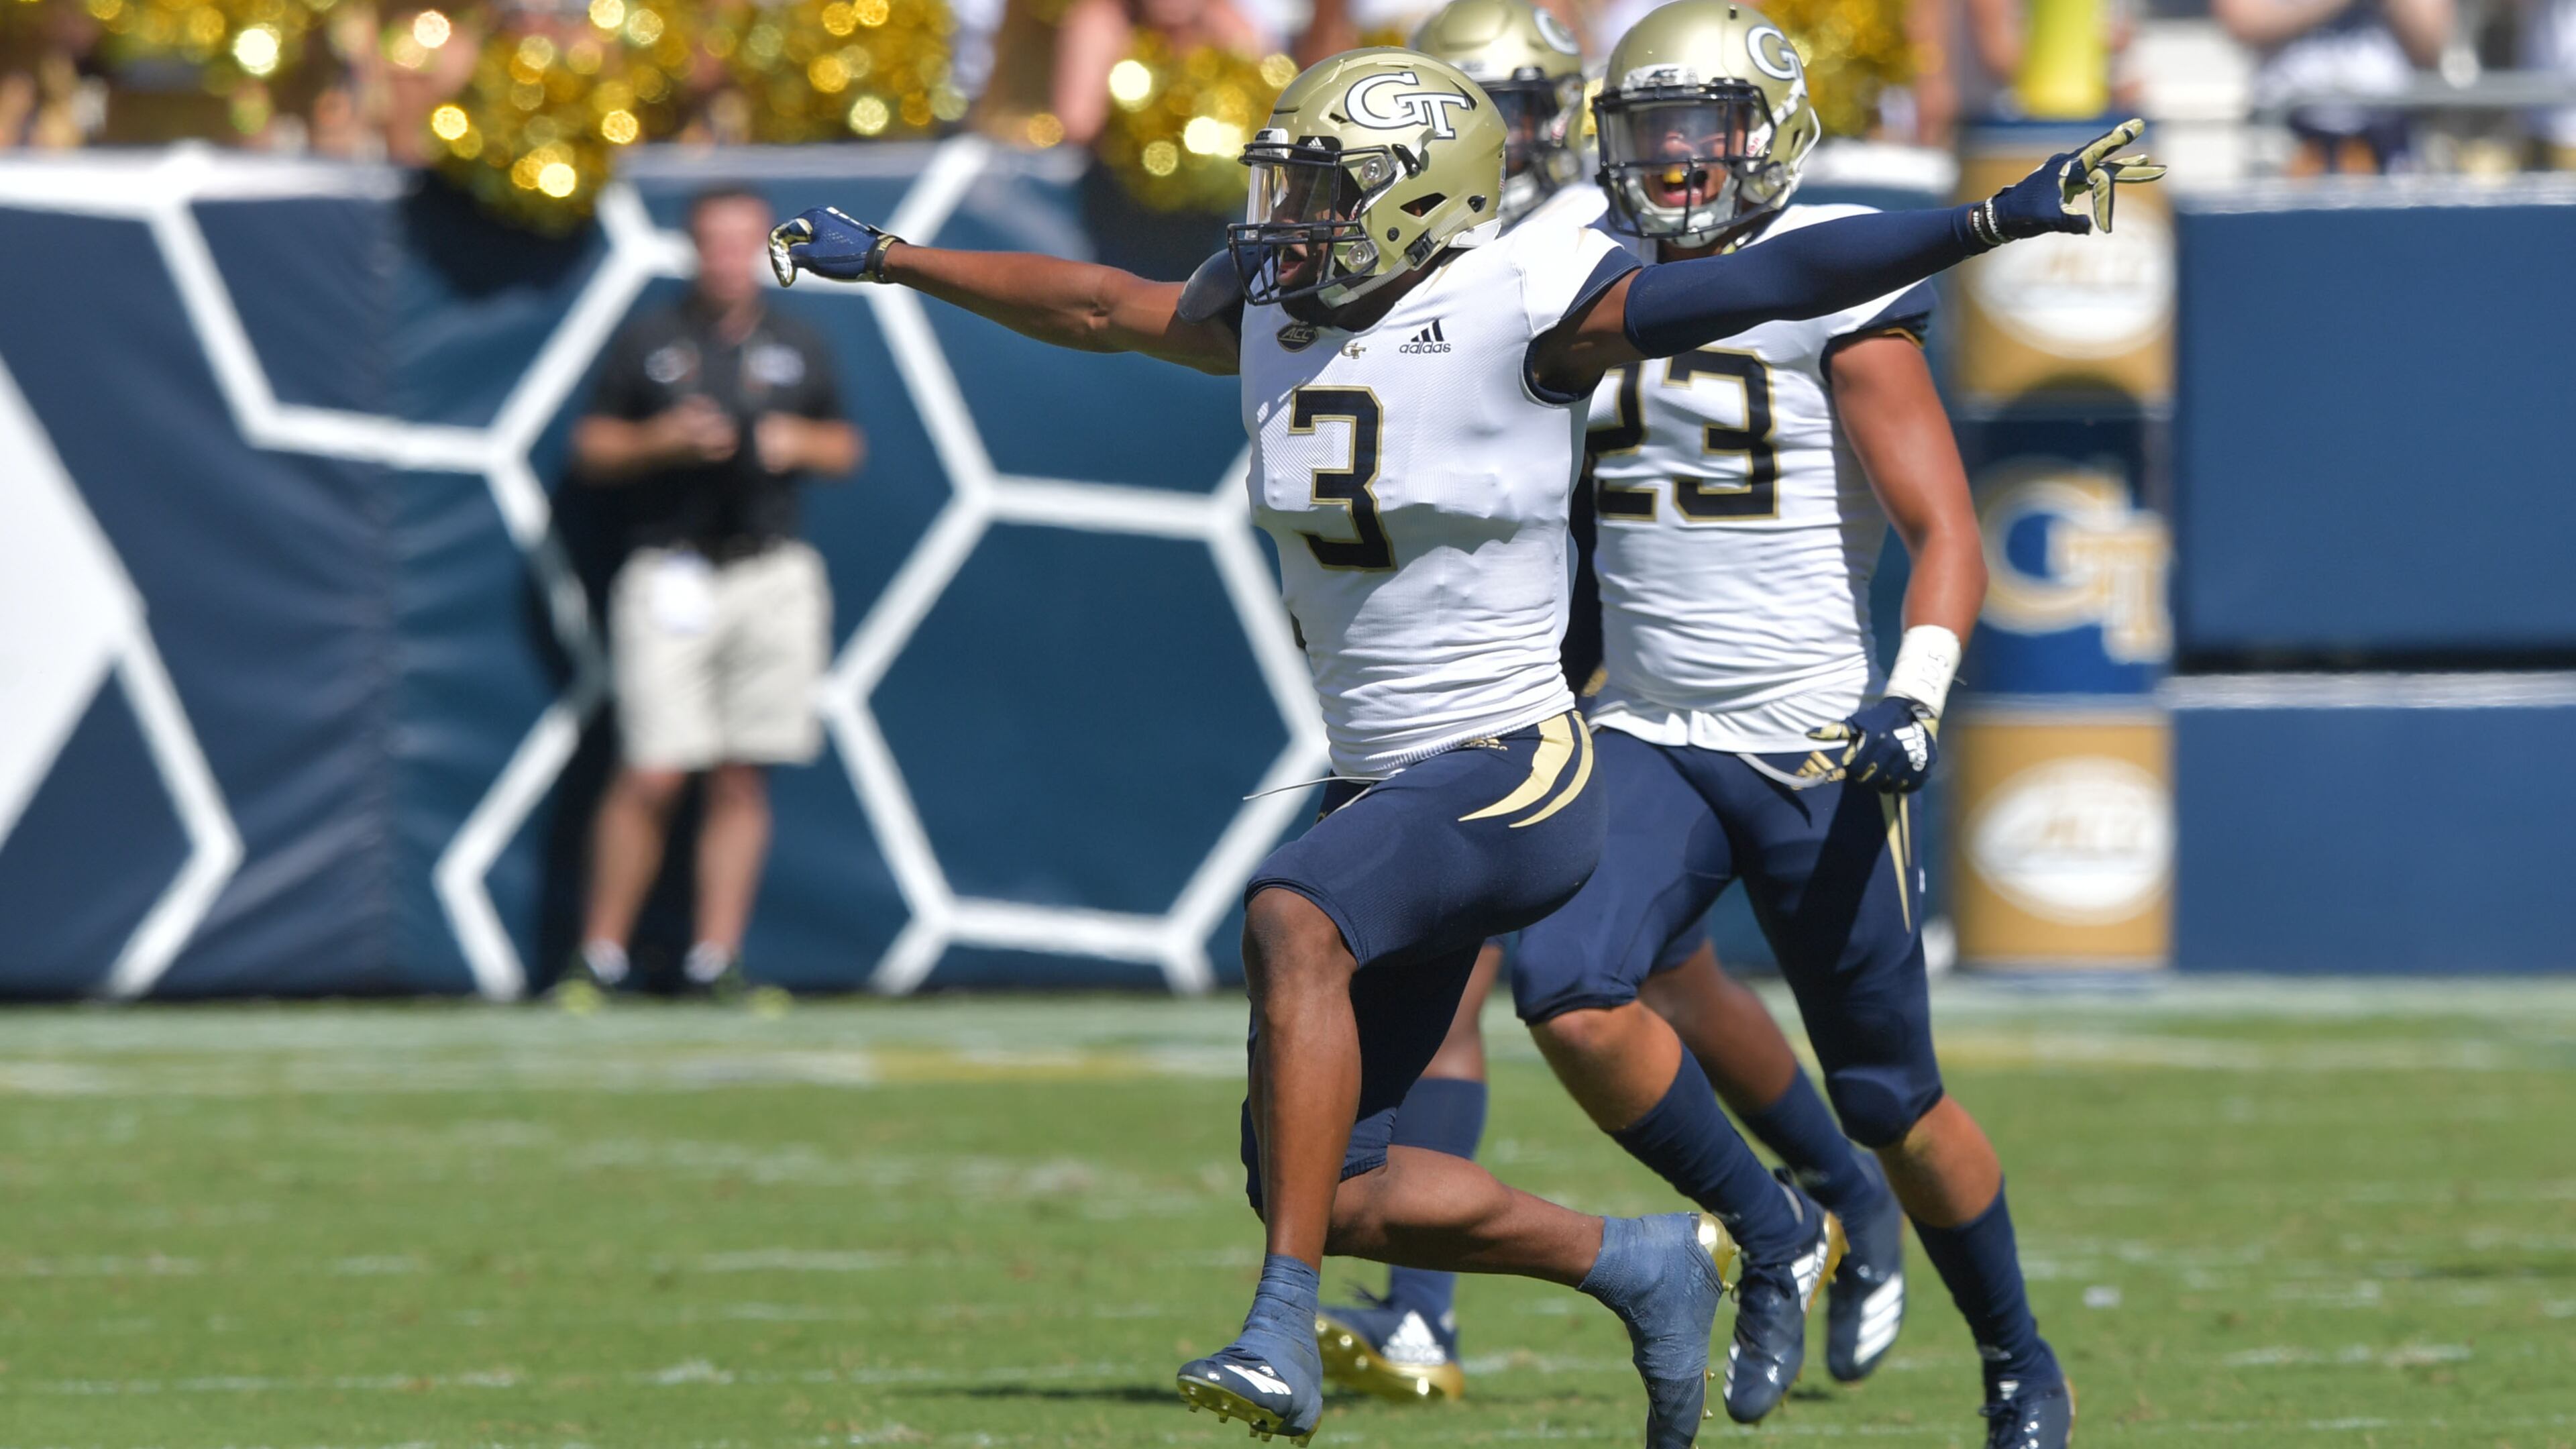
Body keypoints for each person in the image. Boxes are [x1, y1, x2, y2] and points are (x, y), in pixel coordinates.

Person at [773, 52, 2156, 1446]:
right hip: (1472, 753)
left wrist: (1989, 220)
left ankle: (1996, 1347)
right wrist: (894, 258)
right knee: (1340, 1169)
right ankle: (1650, 1260)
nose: (1284, 216)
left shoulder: (1519, 302)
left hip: (1549, 754)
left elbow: (1764, 285)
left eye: (1322, 189)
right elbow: (1095, 302)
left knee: (1316, 921)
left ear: (1415, 200)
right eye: (1287, 185)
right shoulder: (1270, 303)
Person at [1309, 1, 1914, 1421]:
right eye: (1478, 106)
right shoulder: (1424, 247)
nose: (1505, 134)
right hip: (1475, 640)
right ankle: (1434, 1309)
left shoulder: (1596, 230)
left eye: (1523, 104)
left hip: (1602, 639)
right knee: (1540, 974)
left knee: (1646, 977)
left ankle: (1830, 1197)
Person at [566, 186, 863, 998]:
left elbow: (845, 445)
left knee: (742, 771)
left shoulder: (800, 342)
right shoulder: (651, 340)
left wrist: (787, 439)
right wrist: (662, 440)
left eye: (743, 242)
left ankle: (714, 957)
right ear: (693, 250)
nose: (729, 258)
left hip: (768, 567)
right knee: (654, 769)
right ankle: (599, 955)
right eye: (714, 242)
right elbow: (590, 446)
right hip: (673, 566)